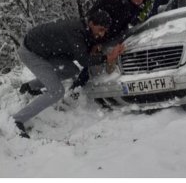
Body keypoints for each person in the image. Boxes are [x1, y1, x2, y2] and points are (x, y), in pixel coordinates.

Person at [13, 10, 125, 138]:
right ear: (91, 23)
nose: (101, 34)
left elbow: (90, 47)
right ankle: (17, 120)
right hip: (32, 53)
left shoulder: (86, 29)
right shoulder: (76, 31)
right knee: (56, 92)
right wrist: (107, 57)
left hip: (47, 52)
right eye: (100, 29)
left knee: (71, 70)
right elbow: (84, 60)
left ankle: (31, 86)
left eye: (104, 30)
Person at [69, 0, 152, 90]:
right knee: (75, 62)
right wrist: (95, 42)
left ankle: (80, 86)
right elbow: (91, 19)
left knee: (95, 64)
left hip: (111, 36)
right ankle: (73, 90)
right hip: (93, 36)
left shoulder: (138, 3)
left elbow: (126, 22)